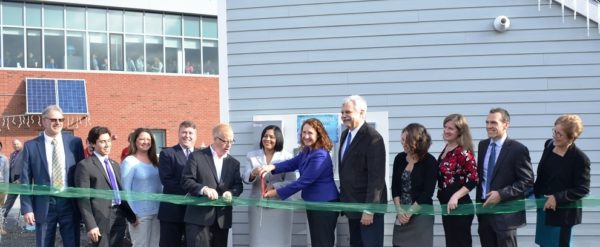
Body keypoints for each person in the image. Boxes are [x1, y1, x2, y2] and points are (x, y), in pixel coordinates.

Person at [262, 118, 339, 247]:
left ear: (319, 135)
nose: (306, 136)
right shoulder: (307, 151)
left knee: (323, 242)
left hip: (325, 205)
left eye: (310, 133)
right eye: (304, 132)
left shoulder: (321, 155)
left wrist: (276, 192)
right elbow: (293, 163)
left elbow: (303, 182)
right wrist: (272, 167)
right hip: (314, 203)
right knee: (317, 241)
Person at [20, 105, 85, 247]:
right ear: (44, 121)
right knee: (44, 242)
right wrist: (27, 208)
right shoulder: (31, 146)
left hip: (69, 202)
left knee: (72, 242)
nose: (58, 123)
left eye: (61, 119)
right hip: (44, 204)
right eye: (54, 119)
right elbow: (25, 180)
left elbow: (82, 175)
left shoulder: (74, 143)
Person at [476, 107, 534, 247]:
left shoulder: (518, 149)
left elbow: (527, 181)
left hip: (506, 215)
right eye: (487, 122)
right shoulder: (482, 145)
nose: (489, 126)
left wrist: (501, 194)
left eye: (494, 123)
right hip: (484, 211)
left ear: (506, 124)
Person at [181, 123, 243, 247]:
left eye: (232, 141)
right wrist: (203, 189)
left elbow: (238, 186)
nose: (229, 145)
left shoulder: (234, 163)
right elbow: (186, 181)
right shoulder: (197, 156)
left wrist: (231, 193)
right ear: (215, 138)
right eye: (225, 141)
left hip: (222, 220)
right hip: (198, 219)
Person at [74, 126, 137, 247]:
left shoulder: (115, 165)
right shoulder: (85, 166)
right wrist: (91, 225)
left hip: (119, 216)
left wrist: (131, 216)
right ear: (92, 143)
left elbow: (120, 192)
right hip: (100, 219)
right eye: (102, 142)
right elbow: (83, 199)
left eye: (108, 141)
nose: (107, 145)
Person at [534, 115, 590, 247]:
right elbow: (543, 177)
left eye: (559, 134)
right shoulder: (548, 145)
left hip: (563, 214)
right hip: (544, 208)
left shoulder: (580, 159)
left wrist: (556, 198)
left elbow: (582, 188)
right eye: (554, 131)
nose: (555, 136)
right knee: (544, 244)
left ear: (572, 137)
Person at [338, 95, 387, 247]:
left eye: (348, 112)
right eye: (342, 112)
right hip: (352, 207)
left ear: (362, 113)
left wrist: (369, 209)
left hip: (367, 210)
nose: (344, 116)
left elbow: (376, 177)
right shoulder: (345, 135)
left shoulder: (373, 138)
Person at [242, 125, 295, 247]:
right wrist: (252, 173)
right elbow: (245, 178)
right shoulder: (252, 156)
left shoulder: (287, 157)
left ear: (278, 139)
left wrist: (275, 187)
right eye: (265, 136)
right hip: (257, 206)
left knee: (280, 241)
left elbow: (292, 181)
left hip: (281, 206)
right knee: (258, 241)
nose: (267, 139)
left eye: (272, 137)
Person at [391, 123, 437, 247]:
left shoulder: (430, 161)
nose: (402, 143)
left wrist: (410, 212)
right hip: (401, 213)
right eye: (401, 139)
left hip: (421, 213)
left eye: (405, 140)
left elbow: (427, 193)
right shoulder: (399, 158)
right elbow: (394, 187)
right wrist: (399, 210)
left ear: (416, 141)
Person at [437, 114, 478, 247]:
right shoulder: (446, 149)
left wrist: (455, 196)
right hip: (447, 207)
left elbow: (473, 178)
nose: (446, 131)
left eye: (451, 128)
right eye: (445, 127)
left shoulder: (463, 152)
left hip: (460, 207)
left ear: (460, 131)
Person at [158, 121, 197, 247]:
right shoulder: (167, 154)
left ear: (195, 135)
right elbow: (167, 180)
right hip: (172, 212)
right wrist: (192, 191)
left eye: (190, 133)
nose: (187, 135)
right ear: (178, 134)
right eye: (184, 132)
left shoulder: (201, 155)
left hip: (194, 212)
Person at [121, 128, 162, 247]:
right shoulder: (129, 161)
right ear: (135, 141)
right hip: (139, 214)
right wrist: (132, 215)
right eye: (142, 139)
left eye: (148, 139)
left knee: (155, 245)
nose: (145, 142)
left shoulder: (155, 161)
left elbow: (160, 186)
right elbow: (125, 190)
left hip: (157, 212)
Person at [3, 139, 23, 219]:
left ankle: (25, 223)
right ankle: (1, 218)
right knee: (8, 202)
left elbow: (27, 169)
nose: (16, 146)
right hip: (13, 183)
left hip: (22, 183)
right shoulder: (12, 154)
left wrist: (20, 180)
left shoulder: (25, 153)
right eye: (14, 144)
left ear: (21, 144)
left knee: (25, 203)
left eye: (17, 144)